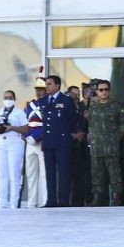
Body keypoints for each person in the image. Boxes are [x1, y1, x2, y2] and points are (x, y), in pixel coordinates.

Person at [39, 75, 82, 207]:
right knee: (49, 173)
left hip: (63, 141)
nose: (47, 86)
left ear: (57, 85)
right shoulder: (43, 100)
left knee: (64, 173)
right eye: (46, 84)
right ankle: (51, 201)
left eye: (49, 84)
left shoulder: (66, 100)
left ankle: (63, 201)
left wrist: (72, 135)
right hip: (48, 142)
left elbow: (73, 119)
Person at [88, 79, 124, 206]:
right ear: (97, 92)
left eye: (106, 89)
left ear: (109, 91)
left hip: (111, 147)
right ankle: (97, 197)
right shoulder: (93, 108)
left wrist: (113, 141)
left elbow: (122, 128)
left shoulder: (117, 106)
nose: (104, 92)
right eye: (101, 90)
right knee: (97, 175)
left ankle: (116, 197)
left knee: (115, 174)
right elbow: (91, 127)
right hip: (96, 148)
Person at [0, 90, 29, 208]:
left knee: (14, 174)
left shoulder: (19, 113)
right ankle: (2, 202)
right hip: (0, 142)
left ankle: (14, 202)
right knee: (2, 173)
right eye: (5, 97)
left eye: (10, 97)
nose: (7, 99)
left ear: (14, 99)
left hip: (14, 142)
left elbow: (26, 130)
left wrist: (12, 128)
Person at [24, 76, 48, 208]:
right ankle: (32, 202)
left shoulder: (48, 104)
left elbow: (49, 124)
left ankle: (45, 200)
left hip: (41, 142)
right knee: (31, 174)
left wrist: (37, 136)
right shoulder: (30, 105)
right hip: (30, 142)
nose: (38, 92)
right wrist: (27, 136)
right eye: (37, 89)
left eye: (41, 89)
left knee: (44, 174)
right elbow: (25, 122)